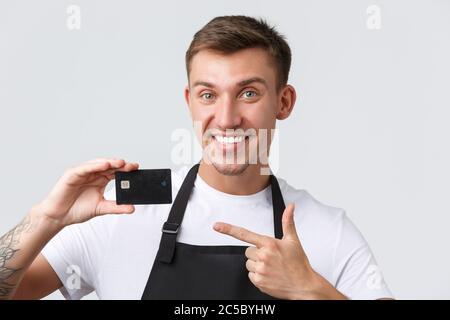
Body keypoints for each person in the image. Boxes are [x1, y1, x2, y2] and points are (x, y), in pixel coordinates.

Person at [0, 15, 393, 300]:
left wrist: (312, 291)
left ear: (284, 102)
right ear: (190, 102)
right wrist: (45, 220)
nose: (225, 118)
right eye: (208, 95)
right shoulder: (125, 213)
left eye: (249, 93)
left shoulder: (327, 230)